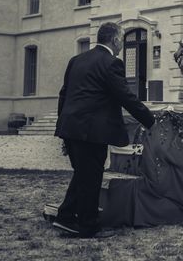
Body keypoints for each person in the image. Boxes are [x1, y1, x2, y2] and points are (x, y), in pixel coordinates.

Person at [53, 22, 155, 238]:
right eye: (121, 40)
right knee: (91, 176)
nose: (121, 45)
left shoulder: (76, 60)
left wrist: (63, 128)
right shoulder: (111, 63)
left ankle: (66, 217)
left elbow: (64, 95)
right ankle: (88, 226)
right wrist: (150, 120)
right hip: (91, 131)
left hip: (70, 126)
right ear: (116, 40)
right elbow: (125, 97)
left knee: (84, 173)